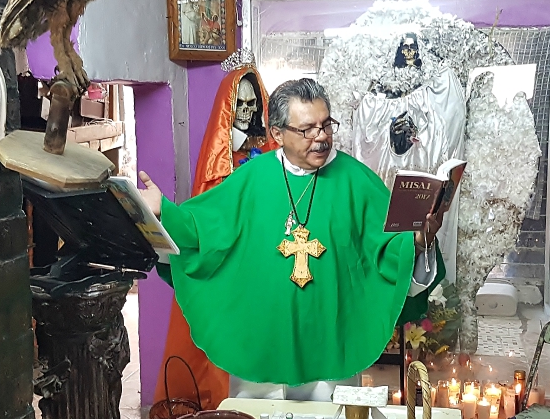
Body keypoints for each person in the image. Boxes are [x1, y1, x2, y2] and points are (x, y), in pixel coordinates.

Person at [138, 77, 444, 401]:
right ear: (277, 134)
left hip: (332, 344)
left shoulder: (358, 181)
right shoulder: (251, 179)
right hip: (264, 345)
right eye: (307, 129)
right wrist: (164, 213)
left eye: (327, 125)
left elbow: (390, 250)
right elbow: (201, 230)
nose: (321, 137)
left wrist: (419, 241)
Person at [152, 51, 275, 411]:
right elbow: (209, 212)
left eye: (254, 103)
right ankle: (225, 411)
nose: (248, 111)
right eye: (241, 103)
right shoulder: (218, 163)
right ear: (228, 106)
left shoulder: (265, 154)